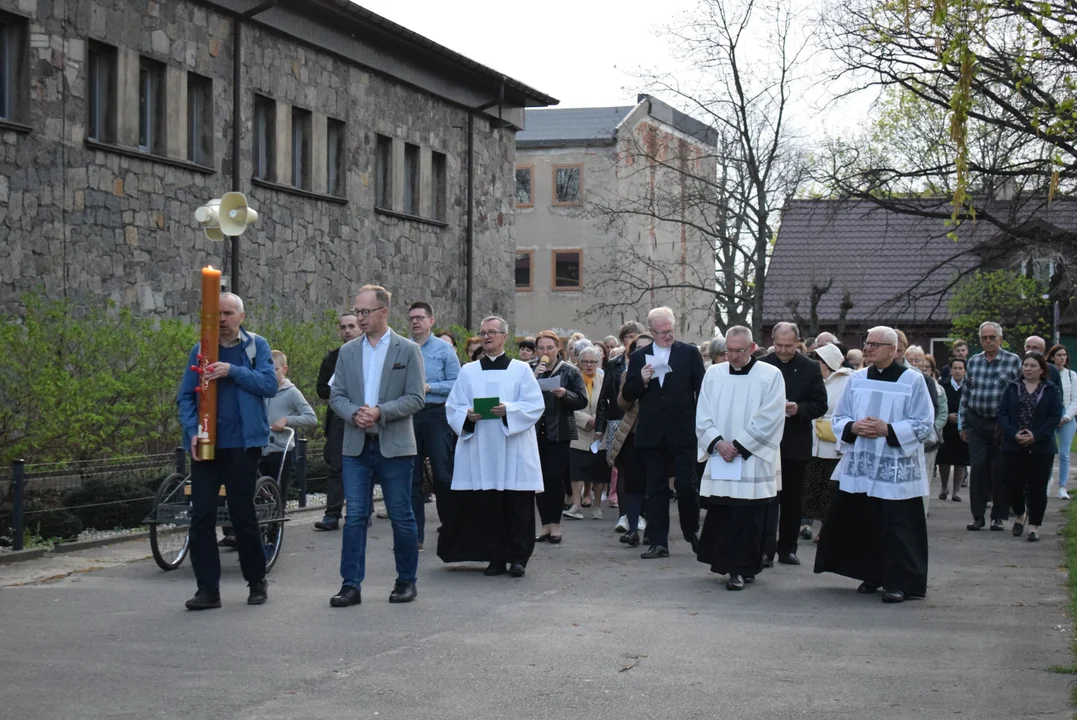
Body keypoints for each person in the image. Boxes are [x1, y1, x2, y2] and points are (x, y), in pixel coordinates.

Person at [814, 326, 935, 603]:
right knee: (866, 521)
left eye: (875, 345)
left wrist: (888, 429)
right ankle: (871, 574)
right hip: (864, 464)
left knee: (897, 526)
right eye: (867, 344)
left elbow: (923, 424)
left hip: (896, 469)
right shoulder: (856, 379)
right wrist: (853, 426)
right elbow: (839, 417)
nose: (868, 349)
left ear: (893, 350)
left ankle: (900, 582)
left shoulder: (912, 381)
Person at [177, 292, 277, 610]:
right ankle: (208, 590)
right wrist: (193, 432)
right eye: (217, 313)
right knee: (202, 516)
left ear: (241, 317)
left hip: (243, 444)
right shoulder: (201, 350)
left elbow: (268, 385)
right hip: (207, 444)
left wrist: (232, 372)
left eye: (229, 313)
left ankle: (256, 581)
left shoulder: (255, 346)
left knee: (242, 513)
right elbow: (185, 398)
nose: (222, 319)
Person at [328, 285, 425, 608]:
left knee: (401, 515)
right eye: (356, 311)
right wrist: (354, 414)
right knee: (355, 516)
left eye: (364, 312)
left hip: (394, 445)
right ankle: (350, 585)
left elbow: (416, 398)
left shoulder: (407, 350)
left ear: (384, 312)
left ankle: (405, 581)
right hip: (356, 445)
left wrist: (381, 412)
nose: (359, 317)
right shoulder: (348, 351)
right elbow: (336, 395)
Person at [438, 316, 545, 577]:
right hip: (482, 448)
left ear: (505, 337)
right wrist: (468, 416)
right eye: (483, 333)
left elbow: (535, 405)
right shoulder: (468, 371)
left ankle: (519, 558)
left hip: (514, 446)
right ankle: (495, 557)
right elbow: (453, 406)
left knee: (518, 505)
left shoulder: (521, 370)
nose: (487, 336)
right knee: (489, 507)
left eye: (492, 332)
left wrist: (508, 410)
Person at [694, 326, 786, 591]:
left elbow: (771, 417)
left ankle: (743, 569)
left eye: (739, 351)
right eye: (729, 351)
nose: (732, 357)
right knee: (723, 511)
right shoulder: (713, 374)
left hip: (752, 458)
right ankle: (725, 564)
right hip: (721, 455)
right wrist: (717, 443)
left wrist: (740, 445)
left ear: (753, 348)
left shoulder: (770, 375)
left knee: (748, 516)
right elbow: (703, 412)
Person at [621, 306, 706, 559]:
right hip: (651, 432)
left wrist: (702, 424)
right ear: (651, 331)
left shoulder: (689, 353)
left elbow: (702, 390)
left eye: (670, 331)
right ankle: (658, 542)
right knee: (655, 488)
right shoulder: (639, 357)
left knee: (686, 485)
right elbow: (627, 396)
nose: (667, 336)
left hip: (683, 429)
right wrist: (642, 380)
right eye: (661, 332)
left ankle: (692, 532)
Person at [759, 322, 828, 566]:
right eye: (778, 345)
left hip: (796, 442)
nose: (783, 350)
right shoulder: (763, 364)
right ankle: (765, 549)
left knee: (792, 500)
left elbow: (821, 404)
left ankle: (787, 548)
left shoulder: (810, 367)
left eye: (788, 346)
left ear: (798, 342)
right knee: (767, 500)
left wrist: (798, 408)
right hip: (766, 442)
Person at [407, 302, 460, 545]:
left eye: (420, 317)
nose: (415, 322)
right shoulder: (402, 348)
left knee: (443, 474)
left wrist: (430, 387)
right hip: (409, 415)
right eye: (412, 318)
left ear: (431, 321)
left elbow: (458, 384)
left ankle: (450, 530)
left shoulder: (444, 350)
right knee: (412, 475)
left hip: (437, 415)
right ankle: (414, 535)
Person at [960, 321, 1022, 531]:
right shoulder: (974, 362)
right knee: (977, 467)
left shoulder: (1013, 361)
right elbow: (966, 395)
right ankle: (978, 516)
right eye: (984, 338)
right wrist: (963, 424)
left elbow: (1019, 394)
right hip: (976, 421)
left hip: (1001, 424)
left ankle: (998, 516)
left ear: (1000, 339)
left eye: (992, 337)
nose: (988, 341)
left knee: (1000, 469)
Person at [998, 352, 1063, 542]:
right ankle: (1020, 514)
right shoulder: (1012, 388)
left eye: (1033, 366)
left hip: (1041, 447)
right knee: (1013, 485)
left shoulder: (1051, 390)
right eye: (1025, 365)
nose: (1028, 369)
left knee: (1037, 487)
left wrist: (1036, 436)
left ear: (1042, 369)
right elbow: (1002, 413)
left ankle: (1034, 525)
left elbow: (1054, 416)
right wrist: (1013, 434)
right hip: (1014, 445)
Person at [528, 332, 587, 532]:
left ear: (558, 348)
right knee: (539, 479)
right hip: (534, 431)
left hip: (559, 431)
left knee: (554, 477)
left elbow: (581, 399)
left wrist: (565, 394)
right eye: (541, 348)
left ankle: (555, 524)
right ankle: (544, 524)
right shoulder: (529, 370)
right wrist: (533, 377)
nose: (545, 352)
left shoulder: (569, 371)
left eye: (549, 348)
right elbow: (517, 395)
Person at [595, 321, 646, 533]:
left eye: (636, 336)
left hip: (642, 422)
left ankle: (640, 514)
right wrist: (600, 424)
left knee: (642, 470)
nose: (631, 340)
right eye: (628, 336)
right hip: (618, 419)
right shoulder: (615, 364)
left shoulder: (650, 362)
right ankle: (625, 515)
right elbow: (605, 395)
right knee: (621, 469)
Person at [801, 343, 853, 542]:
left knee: (830, 492)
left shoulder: (848, 380)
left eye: (819, 361)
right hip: (813, 445)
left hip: (834, 447)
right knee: (811, 489)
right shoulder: (813, 379)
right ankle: (806, 524)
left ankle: (827, 530)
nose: (815, 364)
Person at [314, 312, 361, 531]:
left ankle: (360, 511)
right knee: (336, 467)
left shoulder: (368, 354)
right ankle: (332, 514)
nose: (347, 331)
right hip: (339, 418)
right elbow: (321, 389)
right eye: (343, 327)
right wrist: (339, 390)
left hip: (365, 415)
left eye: (351, 326)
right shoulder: (332, 358)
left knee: (364, 465)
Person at [608, 334, 654, 546]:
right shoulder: (629, 372)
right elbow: (622, 403)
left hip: (658, 435)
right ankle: (632, 528)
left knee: (654, 485)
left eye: (648, 348)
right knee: (633, 483)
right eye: (639, 349)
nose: (644, 353)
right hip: (634, 433)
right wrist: (639, 382)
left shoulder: (666, 371)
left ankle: (653, 530)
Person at [261, 350, 317, 504]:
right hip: (259, 447)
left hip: (280, 449)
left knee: (278, 493)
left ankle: (276, 524)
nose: (271, 373)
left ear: (284, 369)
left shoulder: (292, 393)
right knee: (258, 492)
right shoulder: (261, 391)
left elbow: (311, 418)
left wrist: (287, 420)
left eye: (275, 369)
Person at [905, 344, 947, 515]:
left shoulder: (928, 381)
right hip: (903, 438)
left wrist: (928, 430)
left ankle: (920, 515)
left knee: (922, 481)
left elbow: (935, 410)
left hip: (926, 441)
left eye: (918, 360)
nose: (914, 363)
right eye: (911, 359)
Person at [569, 346, 609, 520]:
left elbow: (609, 403)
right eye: (585, 361)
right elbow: (569, 405)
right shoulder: (572, 379)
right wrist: (586, 420)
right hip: (578, 432)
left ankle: (597, 506)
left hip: (600, 433)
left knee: (599, 473)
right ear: (579, 362)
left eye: (593, 361)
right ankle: (576, 505)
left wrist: (599, 420)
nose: (589, 365)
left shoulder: (604, 379)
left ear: (598, 362)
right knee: (576, 471)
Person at [937, 357, 969, 502]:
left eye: (960, 368)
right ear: (950, 370)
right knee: (944, 458)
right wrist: (947, 415)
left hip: (963, 428)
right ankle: (944, 487)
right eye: (955, 368)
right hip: (946, 427)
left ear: (965, 370)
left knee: (960, 460)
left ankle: (956, 491)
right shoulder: (942, 385)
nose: (957, 371)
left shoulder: (969, 386)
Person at [1047, 344, 1077, 499]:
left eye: (1064, 355)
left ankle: (1062, 487)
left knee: (1064, 453)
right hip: (1050, 415)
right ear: (1052, 357)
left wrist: (1066, 417)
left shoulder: (1072, 375)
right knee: (1048, 452)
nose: (1062, 358)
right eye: (1059, 355)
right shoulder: (1047, 374)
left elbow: (1075, 400)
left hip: (1067, 416)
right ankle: (1047, 482)